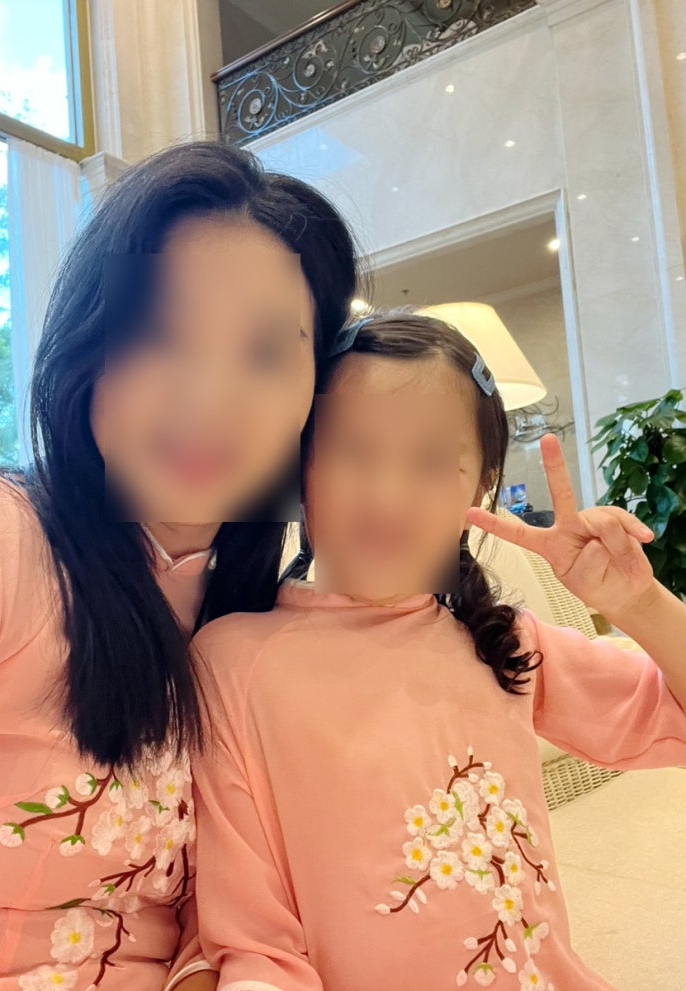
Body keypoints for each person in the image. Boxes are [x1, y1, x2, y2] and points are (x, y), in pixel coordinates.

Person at [0, 140, 359, 990]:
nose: (208, 397)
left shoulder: (266, 620)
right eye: (158, 333)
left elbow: (249, 904)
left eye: (265, 353)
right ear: (88, 349)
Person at [185, 311, 686, 991]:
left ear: (481, 488)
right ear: (299, 468)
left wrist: (640, 604)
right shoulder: (234, 660)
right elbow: (255, 944)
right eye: (352, 452)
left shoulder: (503, 641)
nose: (386, 495)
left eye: (430, 462)